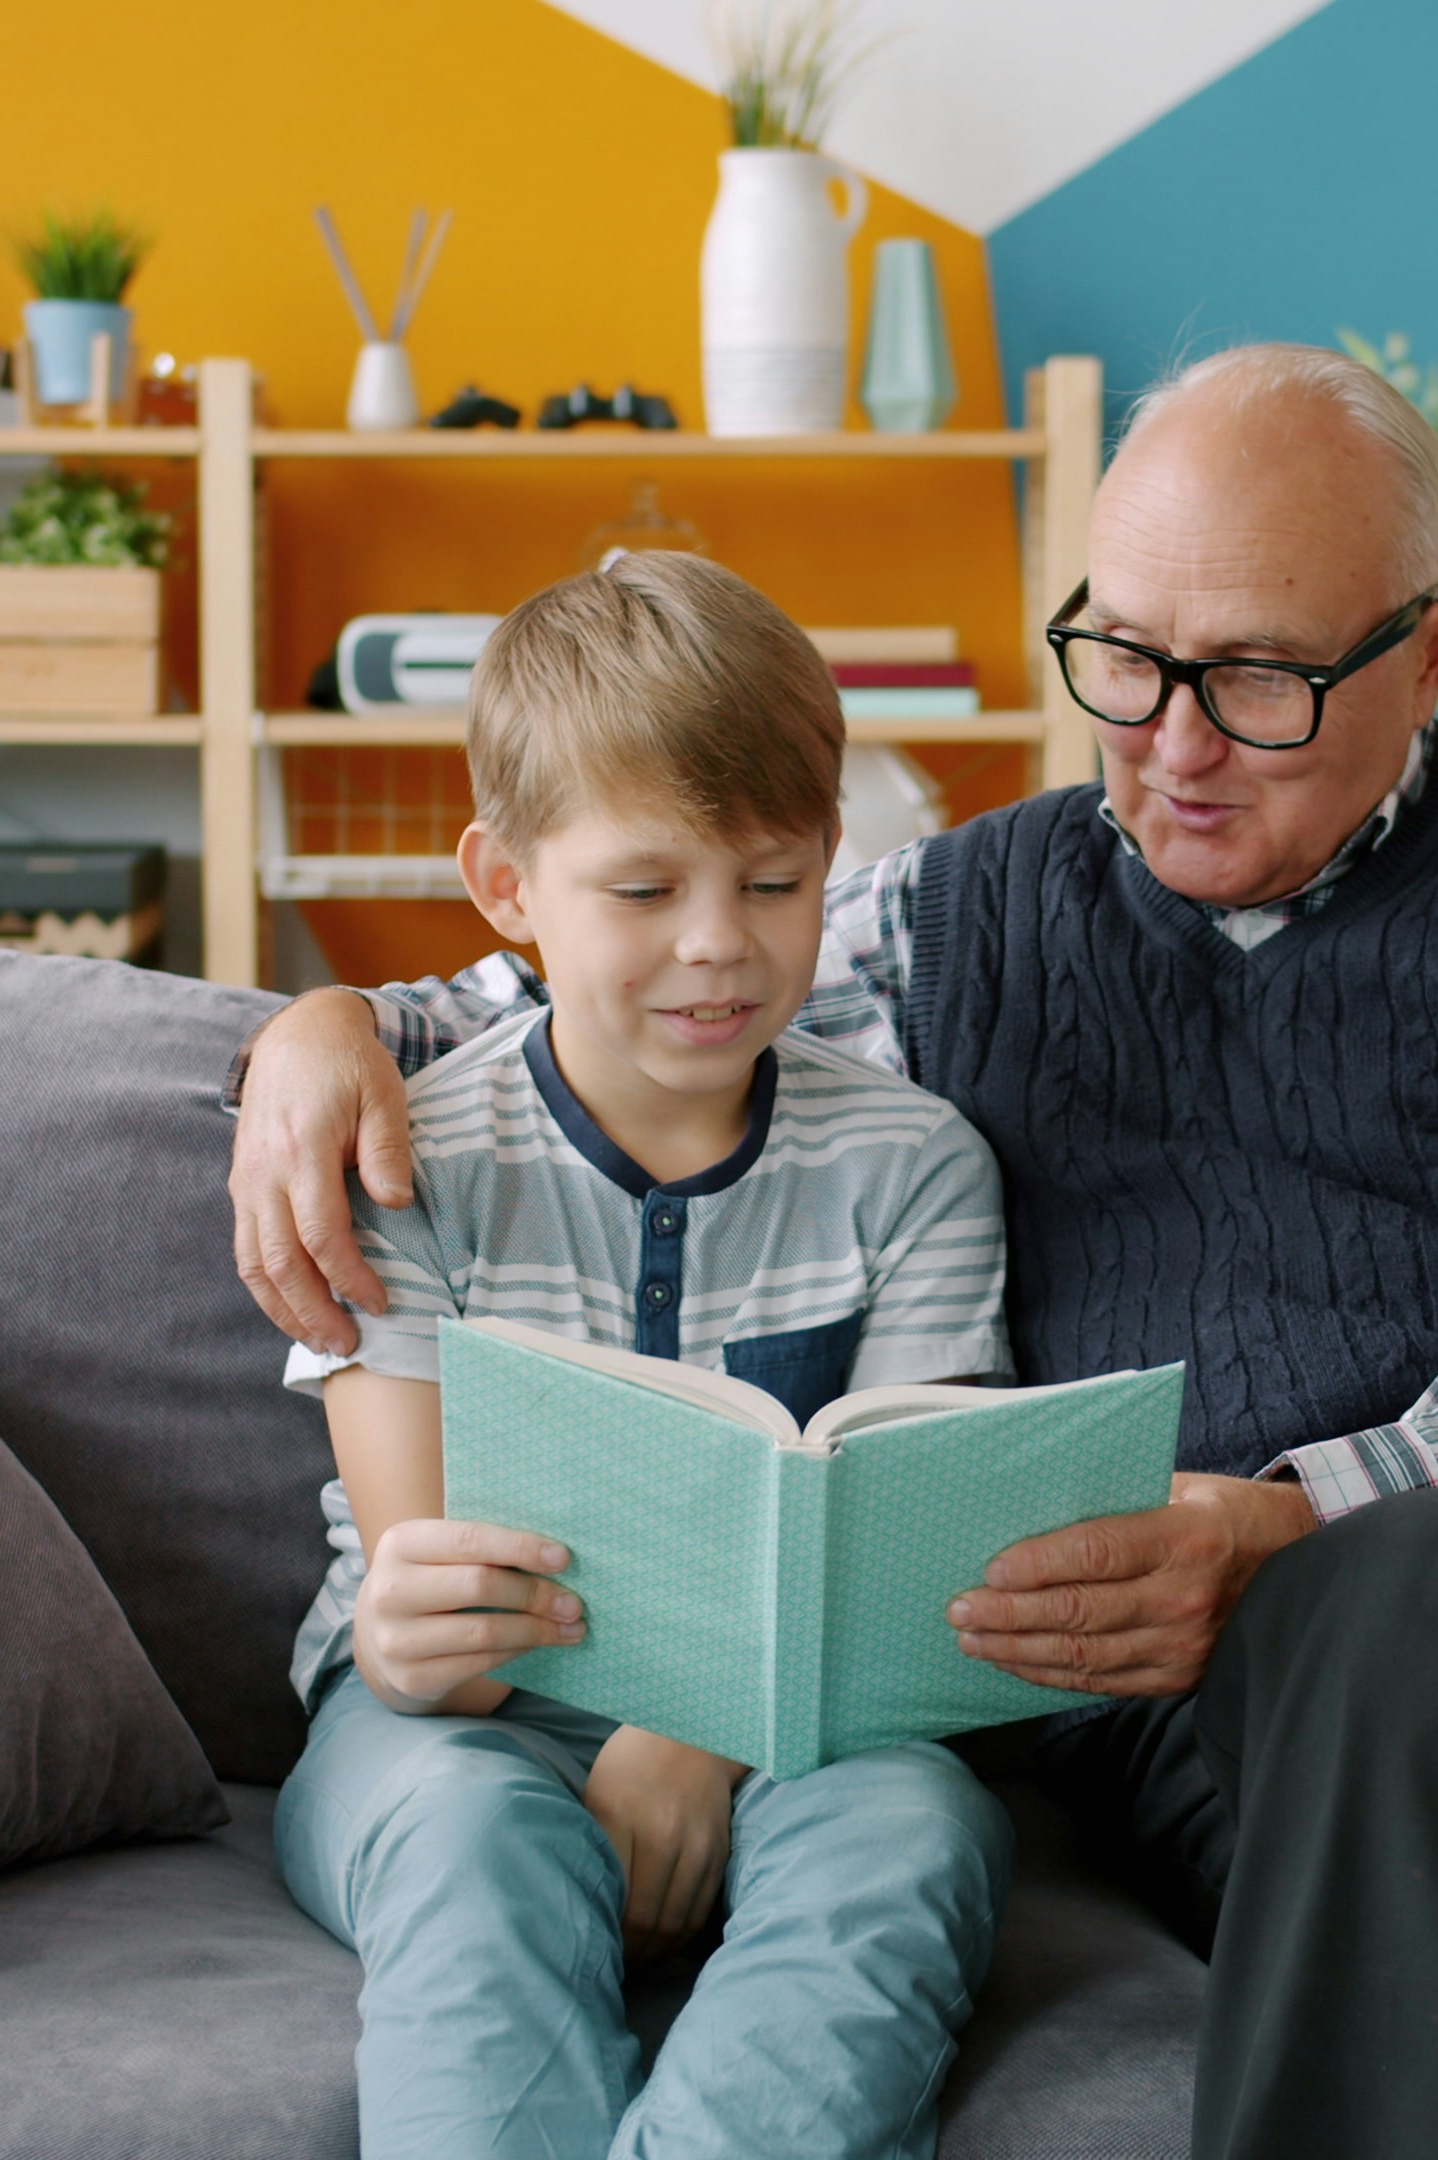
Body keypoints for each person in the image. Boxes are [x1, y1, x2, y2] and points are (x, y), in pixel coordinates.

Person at [232, 345, 1438, 2160]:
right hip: (1284, 1734)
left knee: (1394, 1590)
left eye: (1255, 681)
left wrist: (1304, 1511)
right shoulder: (962, 917)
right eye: (1130, 660)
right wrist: (326, 1030)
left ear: (1431, 654)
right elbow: (622, 972)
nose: (1171, 741)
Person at [266, 550, 1019, 2160]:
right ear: (504, 885)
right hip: (450, 1728)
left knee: (918, 1829)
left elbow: (906, 1584)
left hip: (804, 1731)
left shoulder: (920, 1166)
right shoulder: (409, 1163)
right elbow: (436, 1622)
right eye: (643, 888)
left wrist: (700, 1735)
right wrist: (419, 1636)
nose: (717, 948)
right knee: (470, 1843)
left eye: (772, 882)